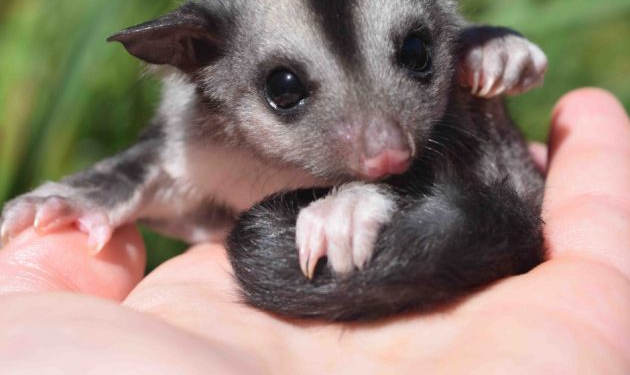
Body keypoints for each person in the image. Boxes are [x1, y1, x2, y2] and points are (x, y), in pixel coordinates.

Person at [0, 88, 628, 374]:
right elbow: (166, 166)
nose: (381, 146)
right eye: (290, 90)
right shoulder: (201, 128)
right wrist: (98, 194)